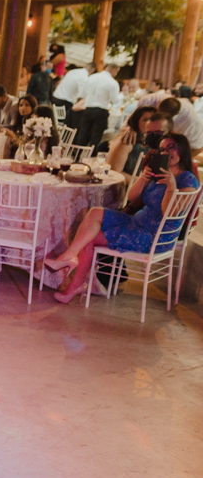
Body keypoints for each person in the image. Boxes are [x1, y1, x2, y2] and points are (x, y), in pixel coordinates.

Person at [45, 132, 199, 303]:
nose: (167, 153)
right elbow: (132, 196)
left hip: (154, 236)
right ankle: (70, 258)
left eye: (172, 147)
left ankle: (73, 285)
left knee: (89, 239)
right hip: (137, 223)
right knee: (95, 212)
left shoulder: (188, 180)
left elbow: (170, 213)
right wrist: (144, 178)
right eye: (163, 149)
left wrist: (171, 185)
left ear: (183, 149)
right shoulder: (160, 171)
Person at [76, 63, 122, 147]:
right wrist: (122, 96)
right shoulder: (112, 82)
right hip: (101, 111)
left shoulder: (91, 77)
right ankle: (90, 157)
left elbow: (82, 94)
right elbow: (115, 100)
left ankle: (76, 155)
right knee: (96, 137)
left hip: (88, 109)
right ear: (114, 71)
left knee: (83, 134)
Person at [106, 105, 158, 176]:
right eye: (145, 120)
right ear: (136, 122)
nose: (149, 122)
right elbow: (114, 172)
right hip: (126, 185)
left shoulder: (155, 141)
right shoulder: (127, 141)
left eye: (152, 119)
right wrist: (140, 182)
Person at [53, 62, 91, 132]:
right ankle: (69, 134)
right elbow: (82, 95)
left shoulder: (73, 71)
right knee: (74, 118)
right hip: (65, 102)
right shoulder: (84, 77)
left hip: (55, 98)